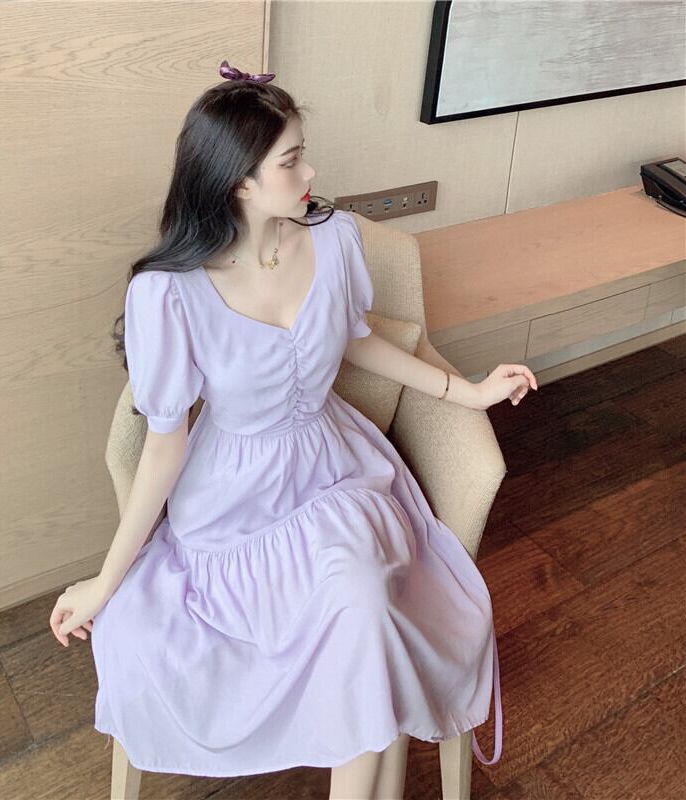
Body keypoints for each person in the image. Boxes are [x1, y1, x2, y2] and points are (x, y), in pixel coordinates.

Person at [49, 60, 537, 797]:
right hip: (232, 499)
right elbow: (161, 450)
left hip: (335, 470)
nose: (310, 172)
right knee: (351, 621)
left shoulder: (334, 237)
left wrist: (464, 392)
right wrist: (105, 581)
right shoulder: (168, 292)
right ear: (239, 182)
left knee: (361, 601)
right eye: (291, 160)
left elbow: (356, 339)